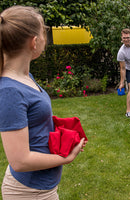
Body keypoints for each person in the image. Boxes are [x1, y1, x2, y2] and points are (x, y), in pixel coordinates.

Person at [0, 6, 87, 200]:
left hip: (41, 188)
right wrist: (67, 157)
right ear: (34, 41)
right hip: (28, 192)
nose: (44, 39)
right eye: (43, 32)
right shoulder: (10, 91)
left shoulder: (25, 77)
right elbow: (19, 161)